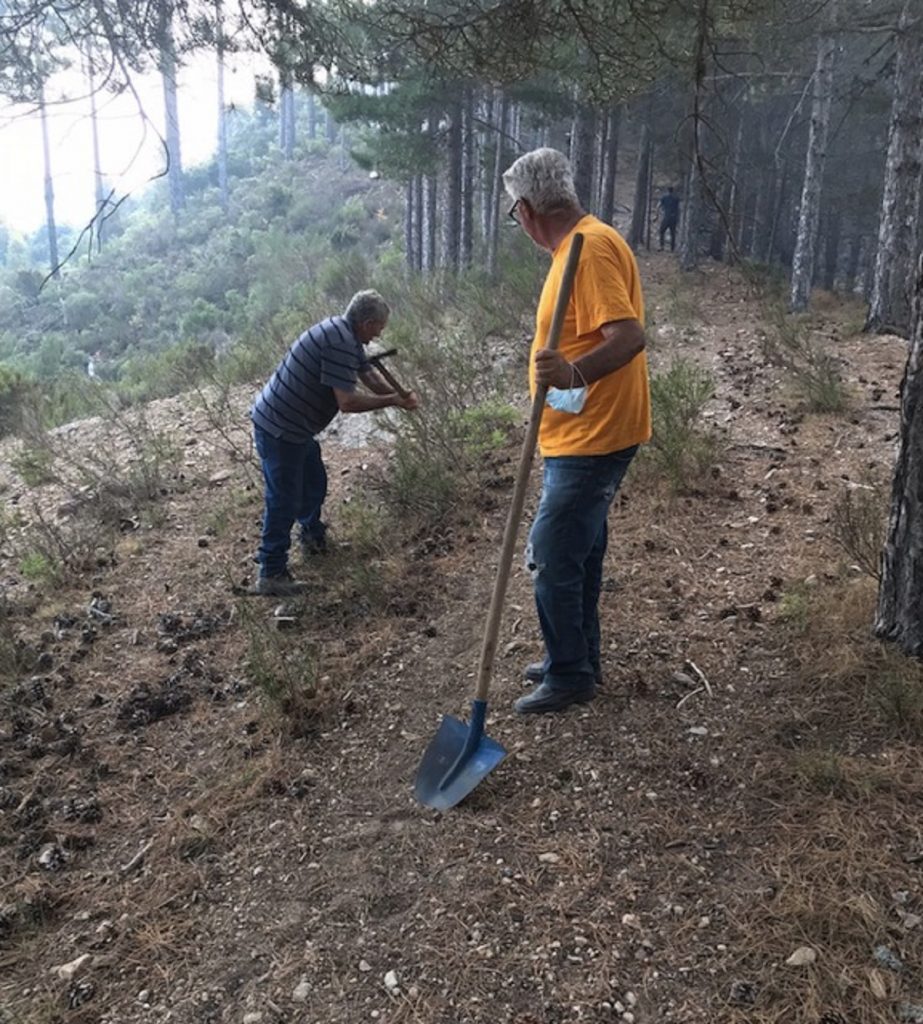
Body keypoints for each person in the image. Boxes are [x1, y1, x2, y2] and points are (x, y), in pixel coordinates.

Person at [503, 148, 651, 714]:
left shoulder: (586, 251)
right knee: (580, 550)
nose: (518, 225)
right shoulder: (581, 245)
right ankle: (577, 653)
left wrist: (574, 371)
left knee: (552, 552)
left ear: (527, 208)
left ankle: (569, 674)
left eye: (514, 215)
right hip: (581, 430)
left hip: (595, 435)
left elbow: (628, 335)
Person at [250, 290, 418, 596]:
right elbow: (348, 402)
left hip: (296, 429)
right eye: (380, 326)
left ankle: (313, 539)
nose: (381, 332)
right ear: (367, 323)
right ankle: (271, 572)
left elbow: (368, 374)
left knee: (314, 483)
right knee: (283, 498)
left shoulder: (345, 334)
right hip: (279, 428)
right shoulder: (339, 341)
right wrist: (392, 399)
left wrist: (397, 399)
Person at [658, 186, 680, 251]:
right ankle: (672, 248)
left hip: (666, 217)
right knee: (672, 233)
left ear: (667, 190)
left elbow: (659, 206)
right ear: (673, 191)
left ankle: (662, 246)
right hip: (673, 217)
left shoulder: (664, 198)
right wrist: (678, 218)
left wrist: (657, 215)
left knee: (662, 231)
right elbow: (678, 209)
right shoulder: (676, 198)